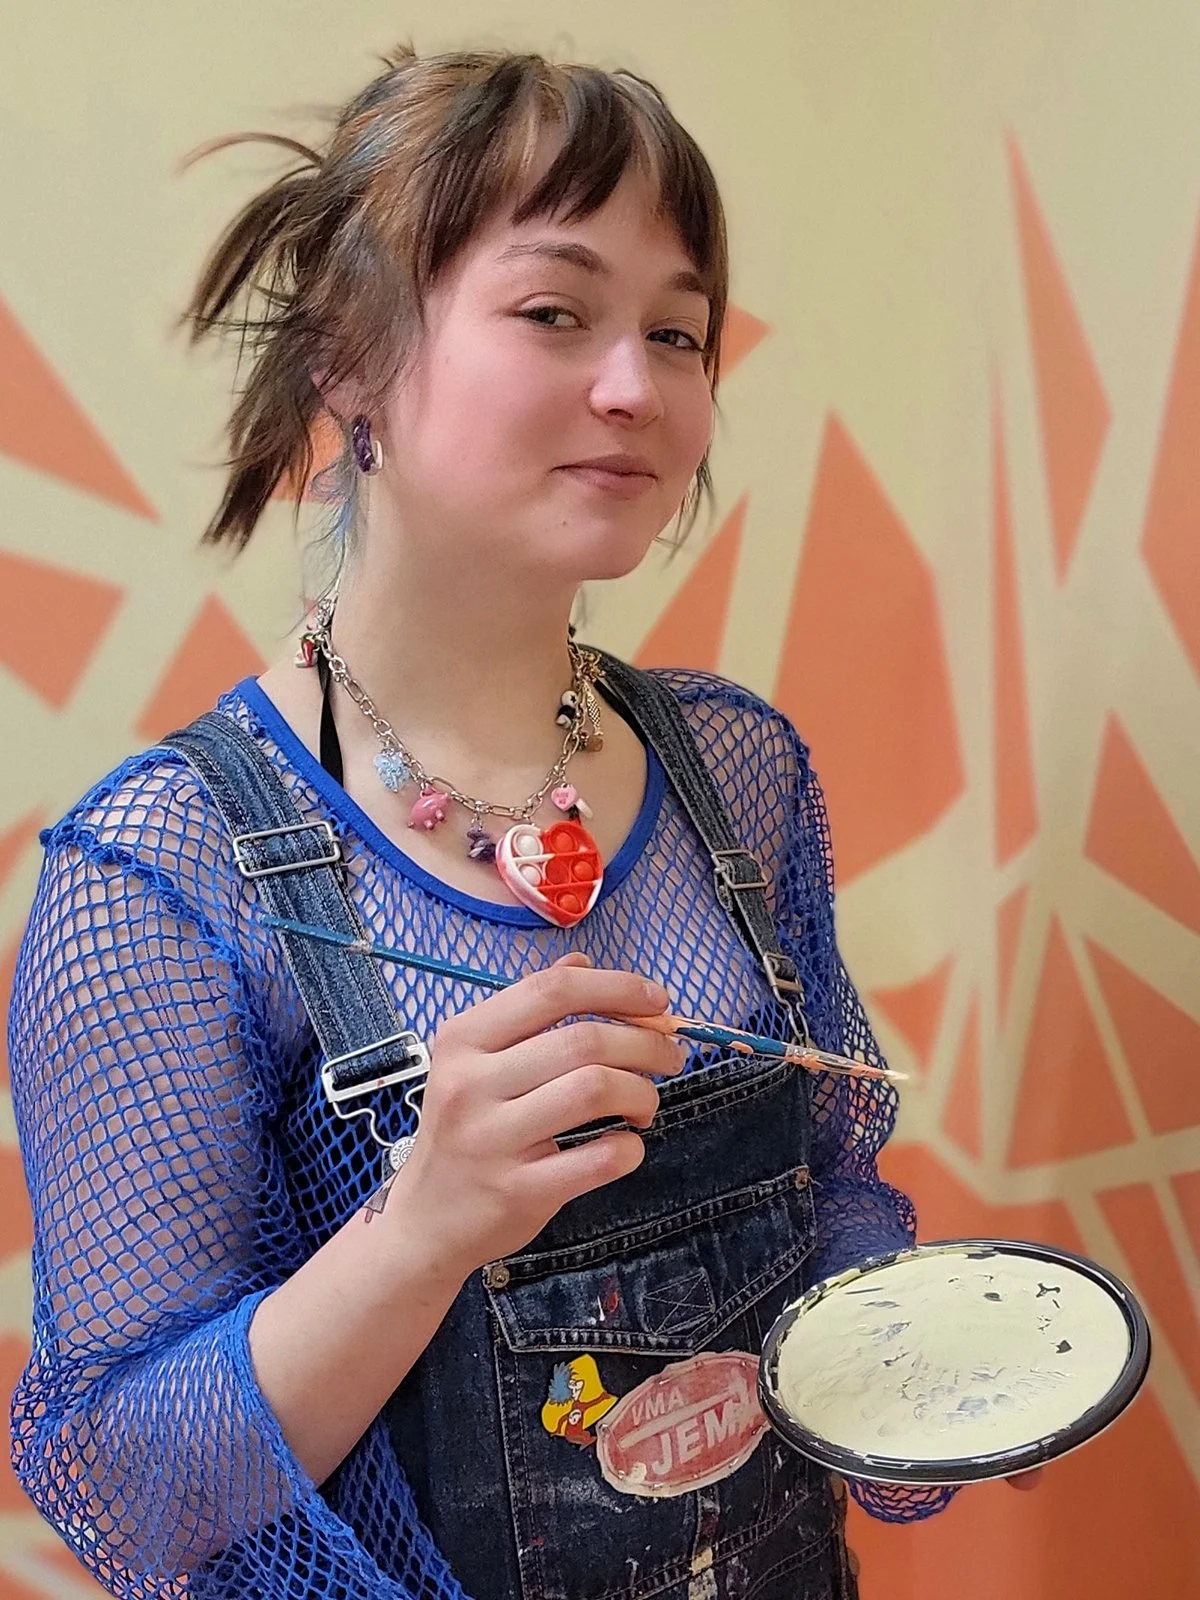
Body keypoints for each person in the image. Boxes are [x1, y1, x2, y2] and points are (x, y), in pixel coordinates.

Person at [6, 43, 1010, 1600]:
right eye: (555, 312)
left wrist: (931, 1360)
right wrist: (421, 1231)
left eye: (677, 332)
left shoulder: (735, 768)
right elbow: (134, 1494)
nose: (635, 387)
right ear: (348, 357)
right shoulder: (163, 872)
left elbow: (831, 1194)